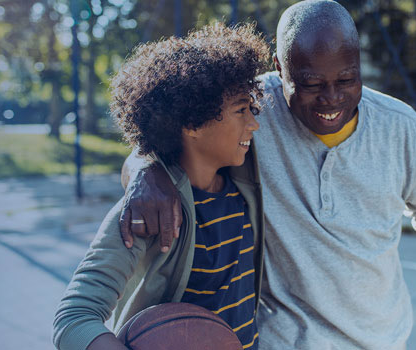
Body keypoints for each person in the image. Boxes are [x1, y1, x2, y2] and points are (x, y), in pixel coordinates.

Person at [116, 1, 416, 349]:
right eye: (311, 84)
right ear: (280, 68)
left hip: (381, 339)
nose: (331, 98)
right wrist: (146, 172)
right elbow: (164, 139)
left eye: (346, 79)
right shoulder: (252, 110)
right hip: (284, 340)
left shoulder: (400, 127)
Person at [54, 23, 269, 350]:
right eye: (241, 110)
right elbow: (74, 317)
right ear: (193, 124)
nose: (254, 122)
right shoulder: (149, 211)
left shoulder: (245, 183)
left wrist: (141, 165)